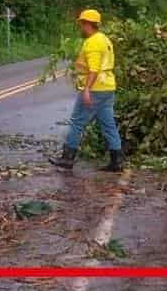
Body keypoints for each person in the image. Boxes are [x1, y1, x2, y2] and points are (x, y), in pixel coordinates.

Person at [49, 9, 123, 172]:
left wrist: (87, 90)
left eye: (81, 24)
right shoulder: (104, 39)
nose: (80, 27)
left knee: (77, 122)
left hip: (95, 88)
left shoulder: (92, 43)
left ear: (87, 24)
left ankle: (67, 159)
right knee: (108, 124)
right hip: (108, 87)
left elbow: (94, 69)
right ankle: (117, 161)